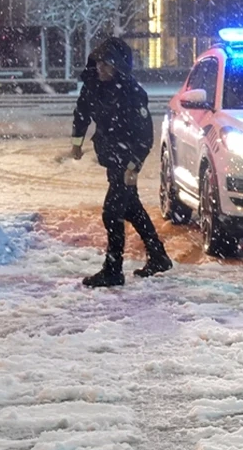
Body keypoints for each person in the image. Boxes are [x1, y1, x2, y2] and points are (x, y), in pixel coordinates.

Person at [70, 37, 171, 287]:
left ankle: (113, 270)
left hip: (125, 159)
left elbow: (144, 135)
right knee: (131, 207)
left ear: (119, 67)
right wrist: (77, 141)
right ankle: (158, 256)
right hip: (111, 155)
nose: (101, 69)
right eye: (99, 64)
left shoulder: (133, 94)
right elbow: (82, 111)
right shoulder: (93, 85)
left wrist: (133, 166)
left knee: (112, 212)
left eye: (107, 65)